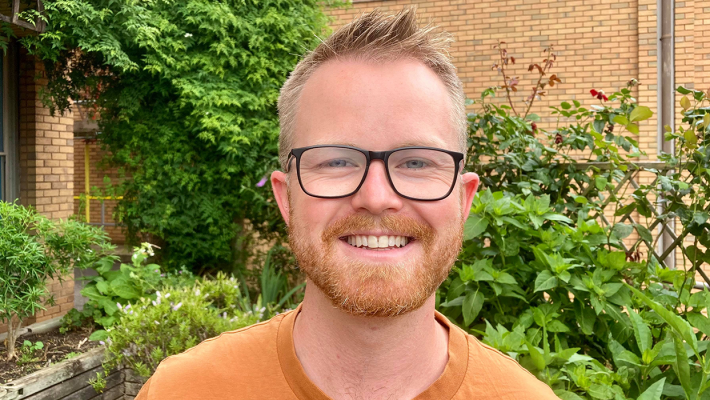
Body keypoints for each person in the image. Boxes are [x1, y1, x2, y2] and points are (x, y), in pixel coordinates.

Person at [135, 7, 559, 400]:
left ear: (463, 200)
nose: (376, 197)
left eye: (415, 162)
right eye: (337, 161)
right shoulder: (182, 390)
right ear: (287, 199)